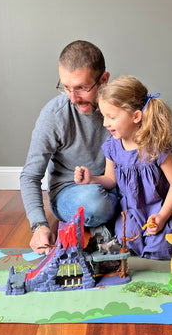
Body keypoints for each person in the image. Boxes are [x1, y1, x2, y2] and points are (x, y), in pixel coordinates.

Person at [20, 40, 119, 255]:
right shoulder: (54, 115)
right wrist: (39, 225)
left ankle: (111, 219)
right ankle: (121, 215)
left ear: (104, 79)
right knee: (94, 202)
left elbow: (157, 150)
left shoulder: (121, 105)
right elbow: (30, 175)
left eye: (82, 88)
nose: (73, 98)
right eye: (66, 88)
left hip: (117, 181)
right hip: (73, 191)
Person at [74, 75, 172, 260]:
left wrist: (163, 216)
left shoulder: (155, 146)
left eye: (112, 117)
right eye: (104, 116)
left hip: (158, 208)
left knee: (160, 248)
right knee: (128, 244)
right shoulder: (112, 145)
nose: (105, 123)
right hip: (131, 213)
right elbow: (110, 180)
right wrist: (91, 179)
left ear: (136, 116)